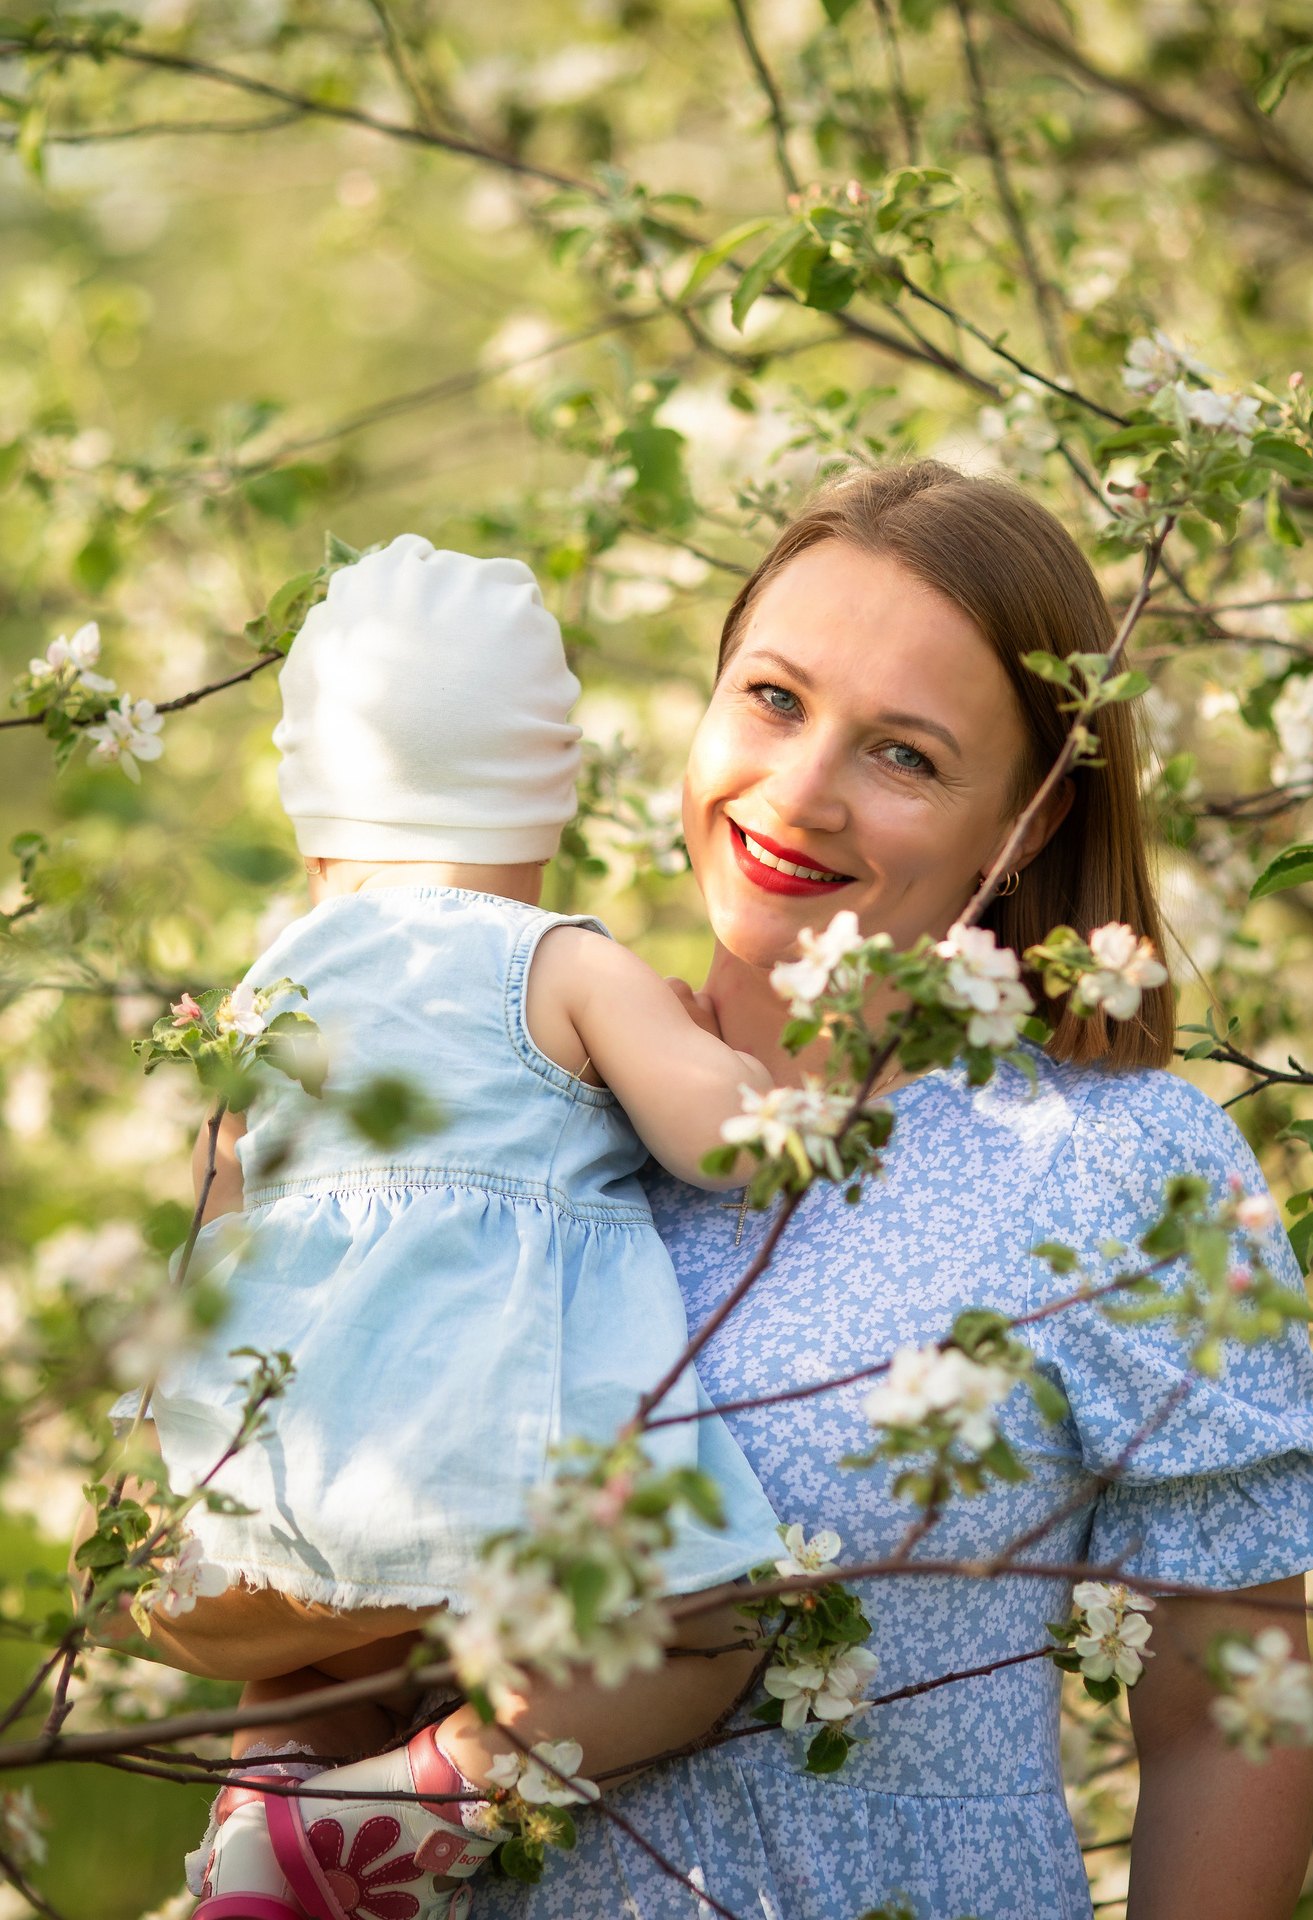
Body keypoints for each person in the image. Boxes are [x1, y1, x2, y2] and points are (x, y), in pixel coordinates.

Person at [458, 464, 1313, 1920]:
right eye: (771, 698)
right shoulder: (503, 1110)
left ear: (1027, 830)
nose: (800, 792)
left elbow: (1224, 1728)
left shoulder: (1118, 1169)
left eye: (906, 756)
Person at [111, 533, 791, 1920]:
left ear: (314, 831)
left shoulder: (270, 996)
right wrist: (723, 1055)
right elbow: (727, 1143)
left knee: (313, 1651)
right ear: (546, 801)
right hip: (495, 1463)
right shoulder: (557, 961)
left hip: (297, 1470)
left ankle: (267, 1811)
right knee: (720, 1644)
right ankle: (430, 1801)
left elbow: (215, 1215)